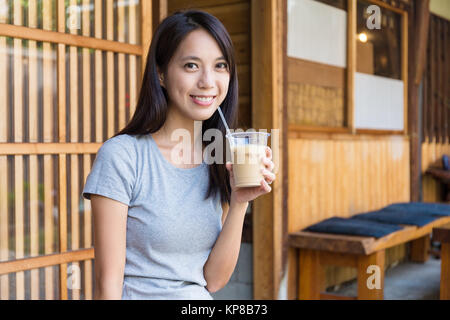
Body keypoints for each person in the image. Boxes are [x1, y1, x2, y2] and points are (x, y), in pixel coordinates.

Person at [82, 9, 276, 300]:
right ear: (161, 73)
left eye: (220, 65)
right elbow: (107, 285)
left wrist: (239, 203)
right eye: (191, 66)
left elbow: (212, 281)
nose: (208, 81)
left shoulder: (220, 158)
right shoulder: (123, 156)